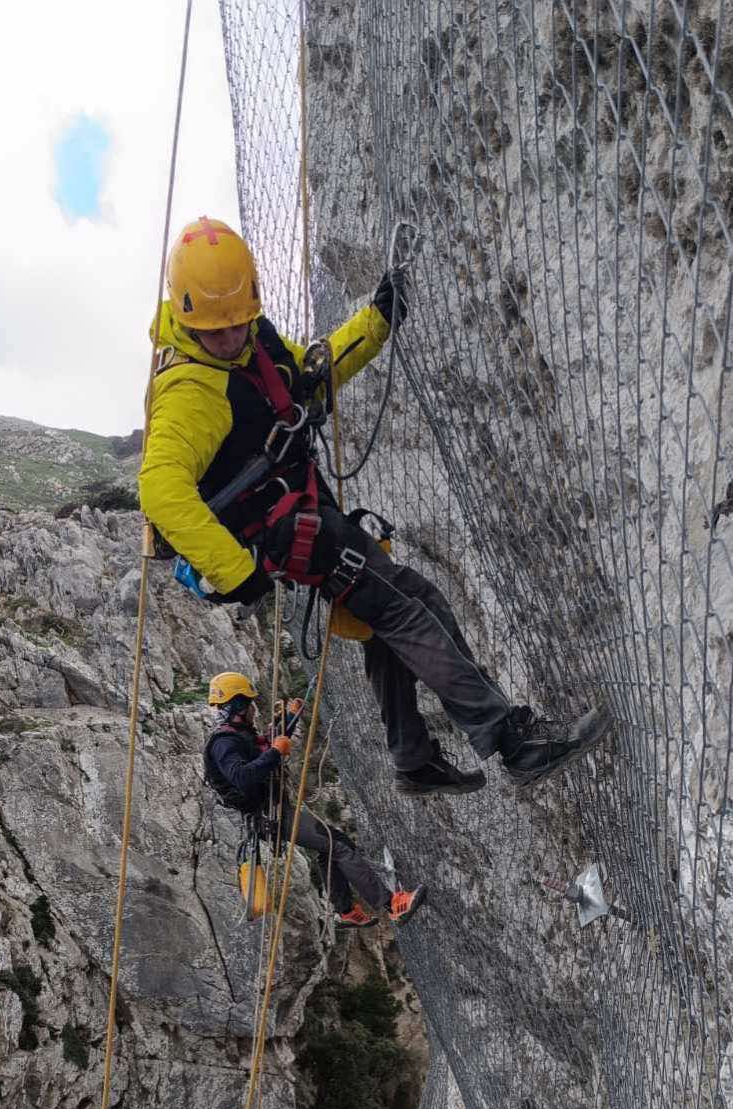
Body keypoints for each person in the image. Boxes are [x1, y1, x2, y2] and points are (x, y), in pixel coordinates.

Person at [140, 217, 612, 793]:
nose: (231, 337)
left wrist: (377, 321)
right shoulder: (190, 392)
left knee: (399, 608)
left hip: (308, 520)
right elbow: (160, 489)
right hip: (291, 536)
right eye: (216, 332)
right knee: (406, 608)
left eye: (238, 323)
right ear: (188, 321)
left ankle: (414, 758)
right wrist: (236, 572)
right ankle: (513, 743)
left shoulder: (249, 345)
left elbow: (308, 377)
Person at [203, 672, 426, 930]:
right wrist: (276, 753)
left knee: (329, 846)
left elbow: (266, 745)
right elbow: (243, 776)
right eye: (250, 703)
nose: (254, 707)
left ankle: (345, 911)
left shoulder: (237, 734)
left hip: (270, 811)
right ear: (239, 705)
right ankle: (392, 905)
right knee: (337, 844)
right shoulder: (224, 743)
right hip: (270, 815)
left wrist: (290, 718)